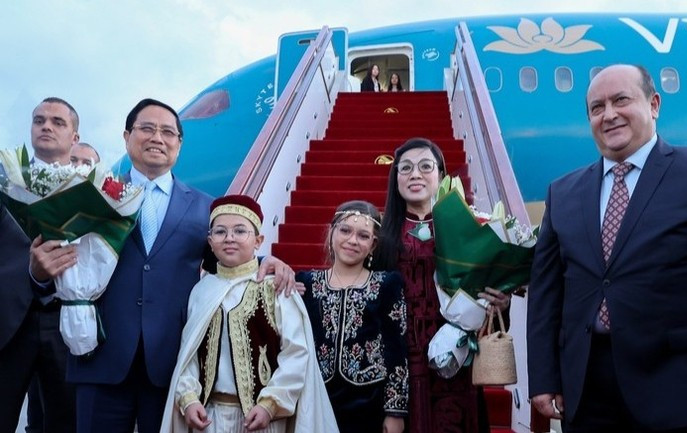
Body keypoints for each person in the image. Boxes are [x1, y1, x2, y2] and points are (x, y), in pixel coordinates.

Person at [527, 64, 687, 432]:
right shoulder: (562, 192)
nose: (609, 114)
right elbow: (546, 295)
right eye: (597, 107)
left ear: (654, 104)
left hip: (686, 393)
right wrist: (544, 378)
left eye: (621, 100)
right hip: (589, 395)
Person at [30, 98, 295, 432]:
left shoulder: (204, 208)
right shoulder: (92, 196)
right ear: (127, 137)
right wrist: (39, 275)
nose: (157, 137)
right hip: (100, 357)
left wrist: (264, 260)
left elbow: (225, 262)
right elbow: (60, 260)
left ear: (179, 144)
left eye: (168, 131)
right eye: (147, 128)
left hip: (172, 366)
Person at [162, 195, 337, 433]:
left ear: (258, 240)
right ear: (210, 241)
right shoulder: (201, 290)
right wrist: (189, 398)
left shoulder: (275, 287)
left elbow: (297, 353)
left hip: (261, 419)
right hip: (209, 417)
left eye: (240, 231)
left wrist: (270, 405)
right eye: (220, 232)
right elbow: (189, 355)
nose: (230, 238)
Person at [375, 137, 510, 432]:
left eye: (426, 166)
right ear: (395, 177)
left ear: (441, 175)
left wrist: (499, 301)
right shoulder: (378, 236)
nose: (415, 174)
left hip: (455, 359)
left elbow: (485, 293)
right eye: (405, 168)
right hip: (400, 362)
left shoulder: (470, 229)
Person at [0, 97, 79, 433]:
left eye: (58, 122)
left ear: (75, 137)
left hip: (68, 327)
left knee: (63, 424)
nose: (46, 126)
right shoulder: (6, 180)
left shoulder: (93, 188)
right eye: (39, 120)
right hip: (8, 322)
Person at [297, 200, 408, 433]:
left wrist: (395, 411)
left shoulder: (386, 284)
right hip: (318, 398)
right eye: (345, 230)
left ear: (373, 244)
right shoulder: (307, 283)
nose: (352, 241)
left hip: (369, 401)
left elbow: (396, 350)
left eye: (363, 236)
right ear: (331, 233)